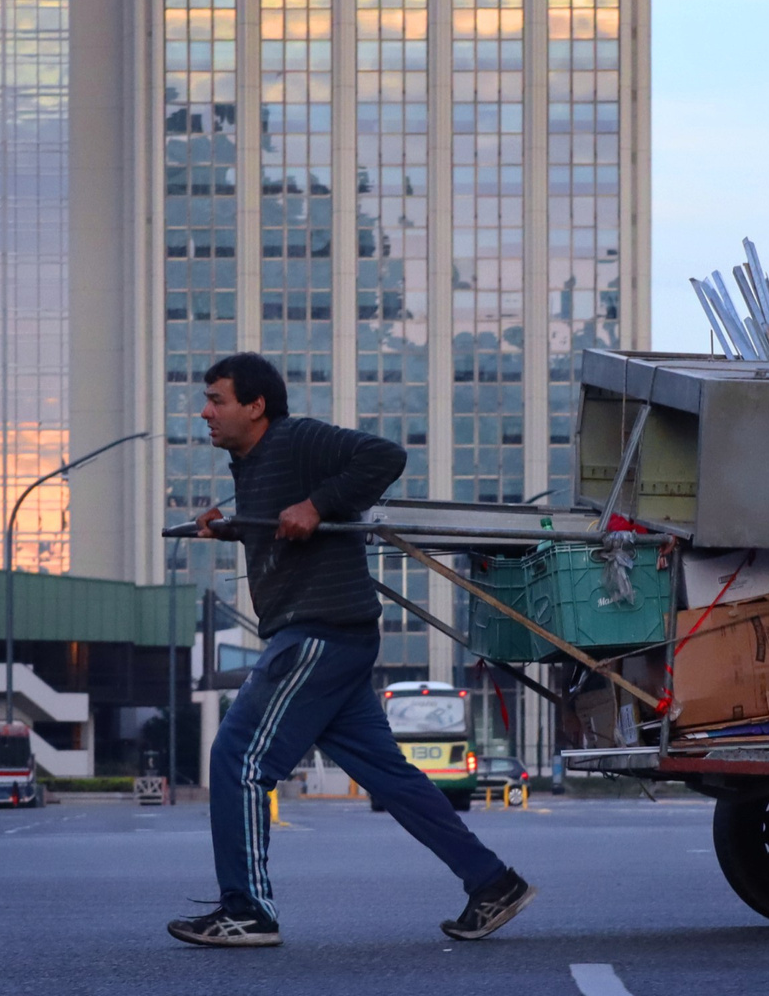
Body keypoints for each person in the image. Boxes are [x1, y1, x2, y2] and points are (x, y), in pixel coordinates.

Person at [168, 352, 534, 949]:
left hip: (318, 631)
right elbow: (282, 521)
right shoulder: (251, 461)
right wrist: (232, 524)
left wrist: (318, 506)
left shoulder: (298, 439)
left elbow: (384, 457)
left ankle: (248, 911)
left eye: (218, 400)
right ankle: (493, 882)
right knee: (389, 778)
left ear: (256, 406)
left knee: (238, 758)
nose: (205, 412)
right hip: (334, 636)